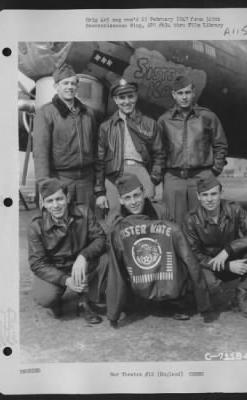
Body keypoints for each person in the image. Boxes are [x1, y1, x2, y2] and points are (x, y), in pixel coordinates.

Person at [106, 173, 214, 327]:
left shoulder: (160, 210)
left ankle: (173, 300)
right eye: (128, 198)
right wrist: (113, 313)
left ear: (144, 193)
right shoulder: (115, 219)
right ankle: (129, 300)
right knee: (108, 264)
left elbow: (177, 244)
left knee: (209, 282)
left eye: (136, 195)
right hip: (134, 271)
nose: (134, 202)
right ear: (121, 200)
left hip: (162, 267)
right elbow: (114, 257)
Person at [182, 175, 247, 318]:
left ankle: (240, 299)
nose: (209, 199)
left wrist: (228, 250)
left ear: (221, 194)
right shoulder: (190, 219)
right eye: (205, 195)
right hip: (208, 266)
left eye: (214, 194)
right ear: (198, 196)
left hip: (233, 258)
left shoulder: (234, 209)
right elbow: (194, 255)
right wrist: (227, 266)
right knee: (209, 288)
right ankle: (198, 298)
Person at [28, 178, 107, 324]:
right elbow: (37, 263)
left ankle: (85, 301)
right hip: (56, 269)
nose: (56, 205)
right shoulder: (36, 226)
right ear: (43, 203)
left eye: (59, 199)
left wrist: (84, 256)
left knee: (106, 260)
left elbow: (101, 238)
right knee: (45, 297)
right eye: (50, 201)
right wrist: (65, 280)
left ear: (68, 198)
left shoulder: (83, 212)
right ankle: (57, 298)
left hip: (82, 265)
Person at [158, 74, 228, 224]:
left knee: (202, 222)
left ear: (193, 93)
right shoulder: (164, 120)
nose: (184, 97)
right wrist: (162, 174)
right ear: (174, 95)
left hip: (201, 176)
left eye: (187, 93)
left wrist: (213, 171)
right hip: (174, 178)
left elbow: (220, 145)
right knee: (174, 223)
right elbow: (159, 151)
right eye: (180, 93)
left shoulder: (208, 117)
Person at [95, 78, 165, 221]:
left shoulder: (150, 124)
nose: (126, 102)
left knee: (146, 215)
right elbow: (100, 161)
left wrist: (153, 180)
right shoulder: (106, 127)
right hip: (114, 175)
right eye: (121, 97)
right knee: (115, 216)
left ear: (136, 96)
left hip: (141, 172)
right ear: (115, 99)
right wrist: (100, 191)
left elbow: (159, 154)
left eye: (130, 96)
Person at [33, 63, 98, 208]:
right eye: (65, 83)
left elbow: (95, 149)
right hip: (60, 180)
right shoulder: (45, 114)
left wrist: (98, 185)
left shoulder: (88, 113)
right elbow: (40, 153)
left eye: (73, 83)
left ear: (77, 86)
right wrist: (45, 187)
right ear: (56, 87)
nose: (70, 87)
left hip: (86, 182)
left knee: (87, 226)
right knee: (61, 228)